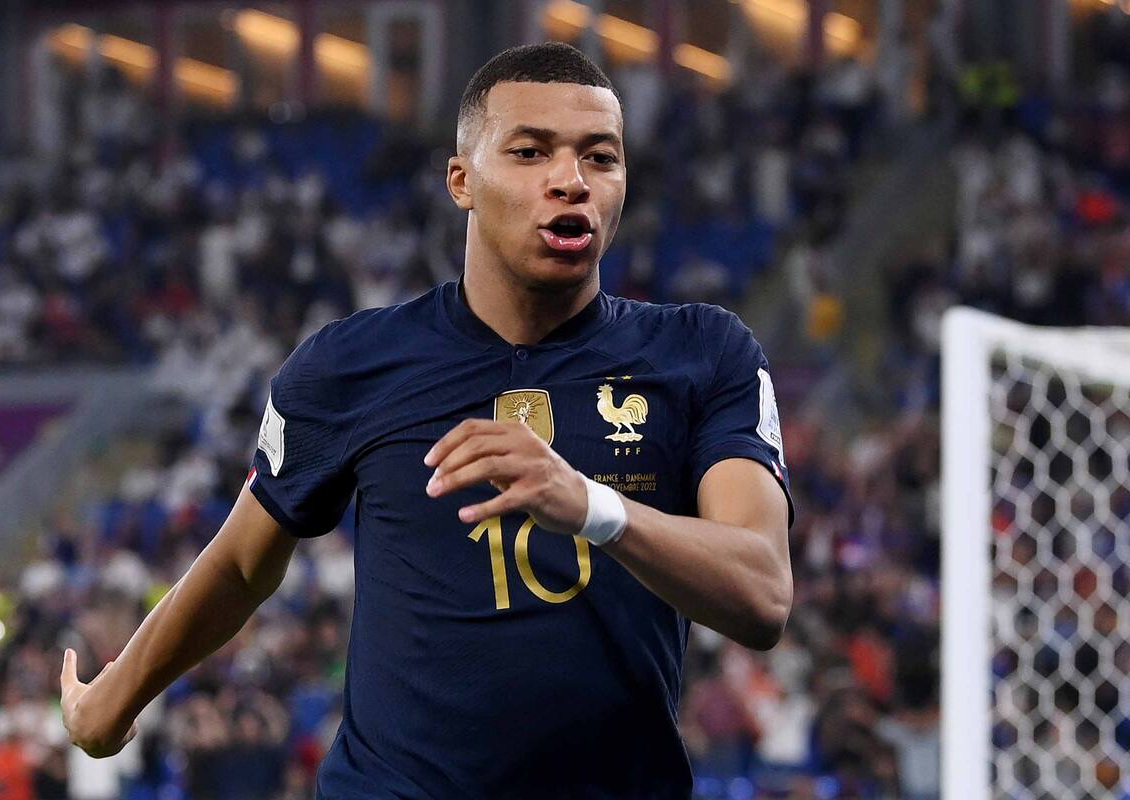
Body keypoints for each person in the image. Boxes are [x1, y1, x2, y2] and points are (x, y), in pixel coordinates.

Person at [60, 42, 794, 798]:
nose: (570, 181)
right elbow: (243, 563)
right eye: (530, 152)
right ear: (462, 180)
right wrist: (114, 699)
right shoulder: (350, 366)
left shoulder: (703, 353)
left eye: (599, 159)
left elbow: (763, 591)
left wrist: (593, 506)